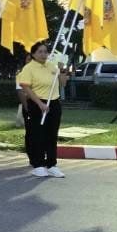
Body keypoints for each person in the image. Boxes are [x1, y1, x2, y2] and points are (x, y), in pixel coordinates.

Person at [17, 39, 69, 178]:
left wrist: (62, 70)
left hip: (54, 102)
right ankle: (38, 164)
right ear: (33, 54)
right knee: (38, 134)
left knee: (52, 134)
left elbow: (63, 83)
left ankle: (51, 164)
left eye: (45, 52)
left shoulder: (51, 66)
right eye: (40, 52)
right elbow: (25, 87)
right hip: (37, 103)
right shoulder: (29, 68)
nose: (43, 54)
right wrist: (40, 103)